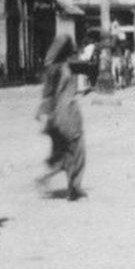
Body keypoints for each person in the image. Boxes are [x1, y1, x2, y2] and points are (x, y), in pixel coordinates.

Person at [35, 34, 86, 199]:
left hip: (58, 115)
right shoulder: (60, 69)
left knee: (62, 152)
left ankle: (46, 179)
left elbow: (47, 94)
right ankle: (74, 187)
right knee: (76, 148)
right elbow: (49, 94)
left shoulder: (55, 68)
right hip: (66, 114)